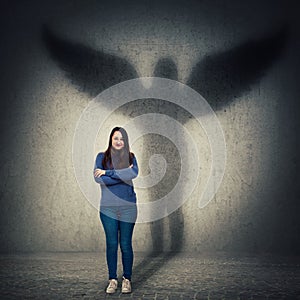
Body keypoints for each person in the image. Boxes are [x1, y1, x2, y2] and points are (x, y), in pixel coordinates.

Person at [93, 127, 138, 294]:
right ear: (111, 140)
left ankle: (127, 279)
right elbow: (99, 180)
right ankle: (112, 279)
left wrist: (108, 173)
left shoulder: (131, 157)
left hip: (128, 208)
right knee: (112, 244)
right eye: (116, 138)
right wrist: (121, 175)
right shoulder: (101, 157)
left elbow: (134, 173)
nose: (119, 141)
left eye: (122, 139)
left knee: (126, 244)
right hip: (108, 208)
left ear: (125, 142)